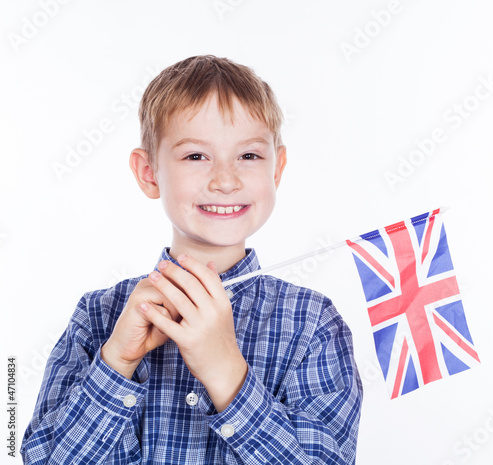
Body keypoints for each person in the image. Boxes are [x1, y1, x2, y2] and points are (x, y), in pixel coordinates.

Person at [21, 55, 363, 464]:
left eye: (249, 156)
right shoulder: (98, 316)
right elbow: (42, 458)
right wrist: (117, 362)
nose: (225, 179)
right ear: (149, 173)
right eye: (196, 156)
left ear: (277, 168)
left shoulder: (313, 324)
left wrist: (226, 373)